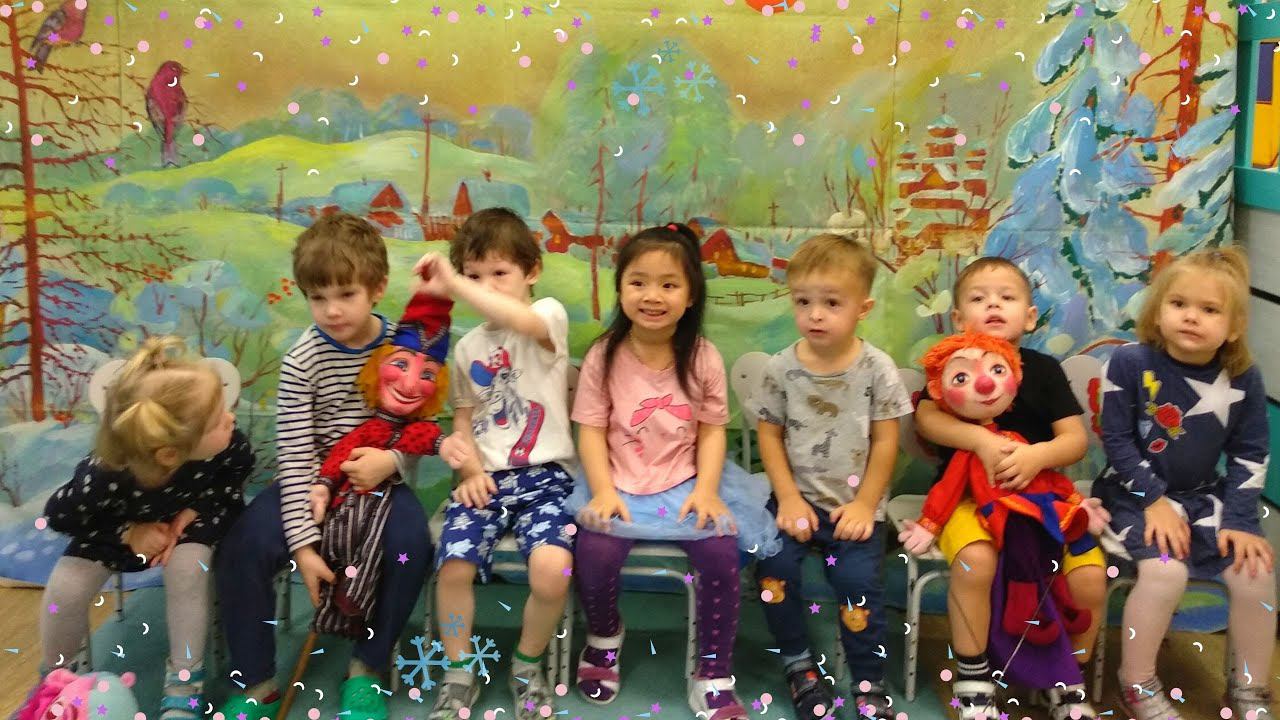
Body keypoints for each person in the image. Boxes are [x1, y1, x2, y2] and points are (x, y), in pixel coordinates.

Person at [215, 213, 432, 720]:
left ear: (377, 288)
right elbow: (294, 458)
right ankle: (257, 682)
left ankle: (366, 669)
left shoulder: (404, 349)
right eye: (318, 297)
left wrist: (390, 460)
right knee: (243, 547)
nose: (332, 310)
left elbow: (423, 428)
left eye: (346, 294)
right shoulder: (302, 360)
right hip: (311, 485)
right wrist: (303, 546)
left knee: (411, 547)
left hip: (380, 485)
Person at [566, 223, 779, 719]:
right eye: (638, 282)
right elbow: (591, 431)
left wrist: (707, 489)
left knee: (721, 553)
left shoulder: (703, 356)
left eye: (669, 284)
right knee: (594, 550)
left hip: (686, 480)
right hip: (618, 480)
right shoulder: (603, 355)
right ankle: (604, 638)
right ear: (620, 288)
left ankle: (713, 670)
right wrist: (602, 490)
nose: (652, 296)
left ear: (690, 295)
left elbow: (712, 432)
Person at [913, 257, 1105, 720]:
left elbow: (1075, 440)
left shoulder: (1043, 370)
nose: (993, 305)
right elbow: (926, 419)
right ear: (958, 318)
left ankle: (1067, 678)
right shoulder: (953, 366)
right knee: (975, 561)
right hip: (965, 499)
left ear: (1030, 317)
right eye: (979, 298)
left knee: (1090, 577)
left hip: (1043, 502)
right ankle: (974, 674)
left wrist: (1037, 456)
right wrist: (980, 440)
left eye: (1007, 297)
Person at [1093, 247, 1273, 720]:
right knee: (1165, 571)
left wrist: (1241, 520)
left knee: (1256, 572)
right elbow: (1116, 441)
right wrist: (1153, 501)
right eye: (1179, 304)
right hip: (1130, 494)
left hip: (1202, 496)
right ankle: (1137, 684)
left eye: (1209, 310)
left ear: (1233, 327)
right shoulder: (1129, 362)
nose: (1191, 317)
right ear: (1158, 311)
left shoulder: (1243, 377)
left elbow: (1251, 453)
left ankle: (1250, 688)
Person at [413, 208, 577, 720]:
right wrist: (466, 468)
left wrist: (457, 283)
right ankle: (459, 671)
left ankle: (526, 665)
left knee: (553, 571)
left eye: (500, 272)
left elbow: (520, 319)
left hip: (547, 480)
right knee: (453, 566)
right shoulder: (468, 348)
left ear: (532, 271)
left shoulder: (547, 315)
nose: (486, 286)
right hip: (483, 480)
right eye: (475, 274)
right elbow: (464, 417)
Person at [40, 337, 252, 720]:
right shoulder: (105, 473)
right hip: (112, 530)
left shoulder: (228, 445)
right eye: (218, 419)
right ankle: (56, 685)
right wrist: (128, 532)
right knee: (65, 586)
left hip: (191, 520)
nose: (231, 420)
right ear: (170, 453)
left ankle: (184, 686)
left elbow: (236, 473)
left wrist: (193, 510)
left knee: (189, 569)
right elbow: (59, 515)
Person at [748, 233, 913, 720]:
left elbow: (886, 442)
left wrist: (864, 504)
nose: (815, 315)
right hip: (795, 500)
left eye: (831, 303)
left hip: (854, 507)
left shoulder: (877, 369)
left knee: (857, 583)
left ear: (863, 308)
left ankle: (868, 681)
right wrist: (788, 498)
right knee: (773, 568)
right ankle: (799, 664)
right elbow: (769, 435)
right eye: (803, 302)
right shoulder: (782, 368)